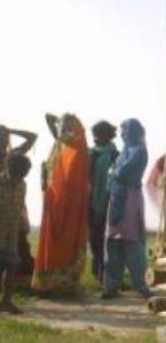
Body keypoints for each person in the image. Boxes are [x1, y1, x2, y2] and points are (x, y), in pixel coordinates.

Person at [32, 114, 90, 295]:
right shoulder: (62, 145)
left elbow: (62, 134)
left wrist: (60, 121)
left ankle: (66, 285)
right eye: (63, 126)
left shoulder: (78, 144)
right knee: (52, 239)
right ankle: (48, 284)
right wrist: (59, 120)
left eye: (67, 126)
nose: (63, 129)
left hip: (71, 203)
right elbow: (49, 119)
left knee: (68, 240)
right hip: (55, 199)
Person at [102, 119, 150, 299]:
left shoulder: (138, 151)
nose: (122, 135)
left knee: (131, 243)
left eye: (124, 131)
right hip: (117, 197)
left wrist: (112, 172)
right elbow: (115, 171)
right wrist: (113, 172)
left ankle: (141, 284)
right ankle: (111, 286)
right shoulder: (125, 151)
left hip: (129, 199)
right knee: (113, 243)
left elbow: (121, 172)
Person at [0, 126, 37, 289]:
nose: (3, 138)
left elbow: (32, 136)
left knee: (15, 254)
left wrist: (11, 130)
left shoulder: (14, 155)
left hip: (14, 208)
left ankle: (12, 293)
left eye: (4, 136)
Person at [0, 154, 31, 314]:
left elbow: (20, 206)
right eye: (18, 173)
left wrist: (24, 223)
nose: (20, 177)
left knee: (11, 266)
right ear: (9, 169)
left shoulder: (22, 185)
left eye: (24, 173)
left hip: (12, 233)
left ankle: (7, 301)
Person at [88, 121, 119, 284]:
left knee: (106, 239)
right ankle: (97, 270)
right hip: (91, 201)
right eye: (95, 134)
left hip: (109, 200)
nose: (96, 137)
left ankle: (105, 274)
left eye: (100, 134)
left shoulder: (115, 155)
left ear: (108, 135)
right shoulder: (91, 153)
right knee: (93, 238)